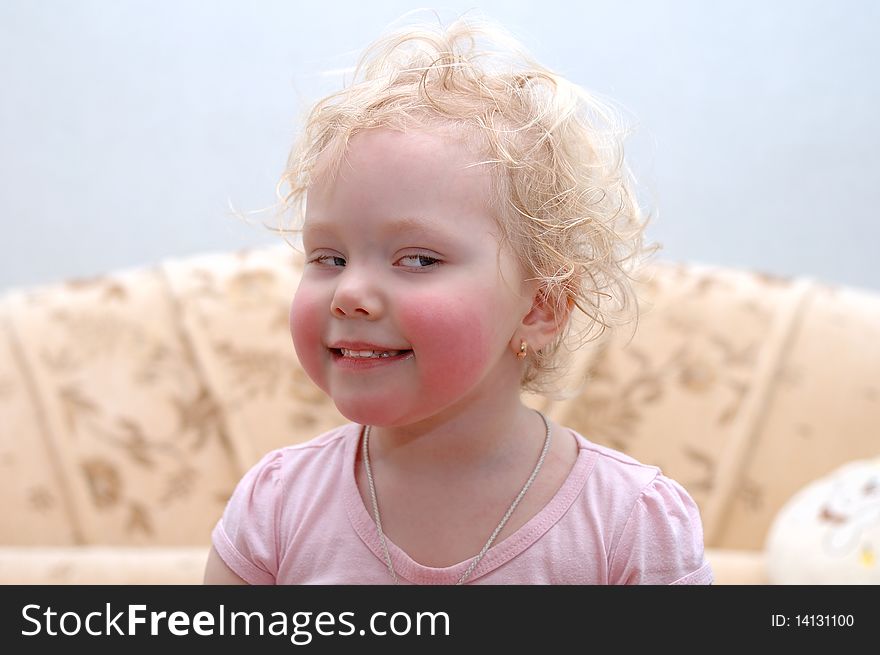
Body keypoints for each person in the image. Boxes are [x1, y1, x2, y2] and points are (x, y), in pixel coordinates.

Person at [204, 14, 713, 585]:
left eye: (418, 259)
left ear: (540, 307)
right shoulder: (274, 511)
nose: (349, 294)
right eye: (328, 257)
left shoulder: (628, 527)